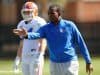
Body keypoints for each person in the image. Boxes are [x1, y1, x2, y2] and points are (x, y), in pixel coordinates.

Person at [13, 4, 93, 75]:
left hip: (71, 62)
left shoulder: (70, 25)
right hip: (54, 64)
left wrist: (88, 61)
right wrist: (27, 35)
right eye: (49, 13)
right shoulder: (46, 28)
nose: (50, 15)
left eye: (52, 13)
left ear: (59, 14)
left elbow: (81, 43)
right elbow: (37, 34)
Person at [13, 1, 47, 75]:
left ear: (35, 12)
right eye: (25, 12)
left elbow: (43, 40)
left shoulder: (40, 22)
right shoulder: (21, 24)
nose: (27, 14)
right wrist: (18, 57)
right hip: (25, 56)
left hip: (35, 55)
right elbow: (22, 42)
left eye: (29, 12)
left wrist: (40, 55)